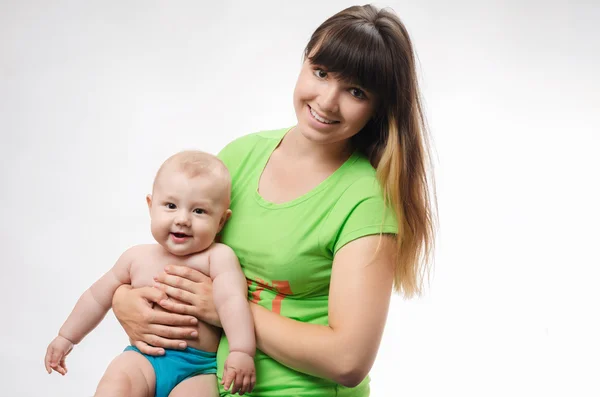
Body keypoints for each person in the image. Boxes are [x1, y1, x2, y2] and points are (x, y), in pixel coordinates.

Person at [112, 4, 436, 396]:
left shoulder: (367, 201)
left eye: (355, 91)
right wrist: (123, 299)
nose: (328, 101)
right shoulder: (240, 156)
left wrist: (227, 310)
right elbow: (180, 256)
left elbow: (348, 360)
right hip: (203, 382)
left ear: (379, 107)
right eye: (320, 73)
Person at [44, 151, 256, 397]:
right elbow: (96, 297)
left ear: (221, 222)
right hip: (142, 359)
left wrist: (241, 351)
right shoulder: (136, 258)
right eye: (171, 206)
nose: (183, 219)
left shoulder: (218, 257)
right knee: (115, 385)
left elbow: (233, 301)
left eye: (199, 211)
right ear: (150, 206)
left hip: (197, 370)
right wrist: (66, 337)